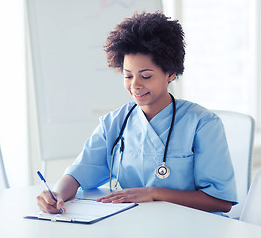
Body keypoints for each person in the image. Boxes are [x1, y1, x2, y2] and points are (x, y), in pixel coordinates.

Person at [37, 11, 237, 216]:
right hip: (134, 224)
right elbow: (79, 172)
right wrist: (56, 194)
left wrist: (154, 193)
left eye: (146, 76)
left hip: (194, 227)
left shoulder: (203, 124)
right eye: (128, 76)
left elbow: (221, 201)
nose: (135, 85)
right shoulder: (114, 122)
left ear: (171, 73)